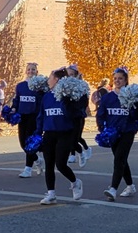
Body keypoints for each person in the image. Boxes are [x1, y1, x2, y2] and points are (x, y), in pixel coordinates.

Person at [36, 68, 84, 205]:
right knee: (49, 164)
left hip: (65, 133)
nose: (48, 80)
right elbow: (41, 116)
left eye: (50, 77)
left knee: (61, 164)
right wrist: (38, 133)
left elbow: (75, 115)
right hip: (49, 133)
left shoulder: (68, 97)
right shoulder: (46, 96)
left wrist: (66, 101)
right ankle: (51, 193)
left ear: (56, 79)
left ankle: (75, 182)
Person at [97, 67, 138, 201]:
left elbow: (137, 116)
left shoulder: (131, 96)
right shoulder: (107, 98)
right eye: (115, 78)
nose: (117, 81)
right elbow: (101, 115)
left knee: (118, 159)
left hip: (127, 132)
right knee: (121, 160)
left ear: (125, 80)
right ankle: (130, 185)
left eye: (120, 78)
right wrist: (102, 130)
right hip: (112, 133)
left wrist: (133, 104)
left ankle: (113, 188)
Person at [14, 63, 46, 178]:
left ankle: (27, 169)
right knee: (23, 143)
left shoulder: (40, 87)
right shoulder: (20, 86)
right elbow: (17, 100)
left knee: (29, 142)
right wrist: (13, 109)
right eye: (29, 69)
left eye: (33, 69)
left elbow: (43, 102)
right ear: (26, 71)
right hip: (23, 117)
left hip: (34, 117)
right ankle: (37, 159)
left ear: (37, 72)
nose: (31, 71)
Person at [65, 65, 92, 167]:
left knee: (76, 137)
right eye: (68, 74)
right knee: (69, 136)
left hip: (78, 115)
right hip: (68, 116)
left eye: (72, 74)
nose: (70, 76)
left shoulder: (81, 85)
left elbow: (84, 102)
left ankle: (85, 149)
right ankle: (72, 154)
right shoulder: (64, 86)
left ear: (76, 75)